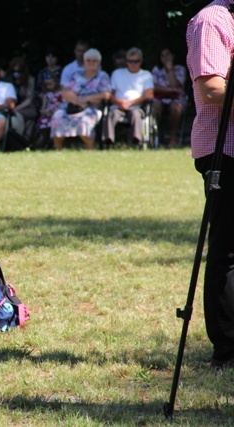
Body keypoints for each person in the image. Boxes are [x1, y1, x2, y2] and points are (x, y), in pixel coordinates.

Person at [186, 0, 234, 369]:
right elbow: (214, 90)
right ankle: (229, 348)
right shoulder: (211, 20)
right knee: (230, 250)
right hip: (226, 150)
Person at [50, 48, 111, 150]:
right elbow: (64, 91)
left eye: (94, 60)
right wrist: (78, 101)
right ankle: (58, 149)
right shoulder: (77, 74)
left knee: (84, 120)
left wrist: (87, 98)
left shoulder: (102, 76)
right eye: (88, 60)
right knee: (58, 117)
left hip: (91, 108)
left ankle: (90, 149)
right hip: (72, 104)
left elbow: (106, 95)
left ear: (99, 62)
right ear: (84, 62)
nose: (91, 63)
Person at [104, 47, 154, 148]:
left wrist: (131, 103)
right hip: (118, 106)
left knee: (136, 115)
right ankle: (108, 141)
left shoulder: (146, 75)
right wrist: (119, 102)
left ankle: (137, 141)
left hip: (137, 107)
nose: (133, 64)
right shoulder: (117, 73)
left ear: (141, 61)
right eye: (130, 61)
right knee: (111, 114)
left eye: (136, 61)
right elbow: (109, 94)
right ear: (126, 61)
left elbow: (149, 94)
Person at [151, 48, 186, 147]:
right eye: (163, 55)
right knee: (156, 105)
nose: (165, 58)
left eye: (168, 54)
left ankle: (173, 137)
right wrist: (171, 90)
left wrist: (170, 69)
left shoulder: (180, 69)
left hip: (177, 99)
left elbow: (176, 85)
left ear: (173, 56)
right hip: (159, 98)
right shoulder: (156, 70)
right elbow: (154, 87)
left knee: (176, 107)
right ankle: (156, 135)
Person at [8, 56, 37, 142]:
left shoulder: (30, 80)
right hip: (12, 107)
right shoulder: (10, 80)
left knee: (20, 116)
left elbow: (29, 99)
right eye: (14, 71)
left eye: (19, 71)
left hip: (27, 108)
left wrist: (17, 108)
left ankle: (23, 140)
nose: (16, 74)